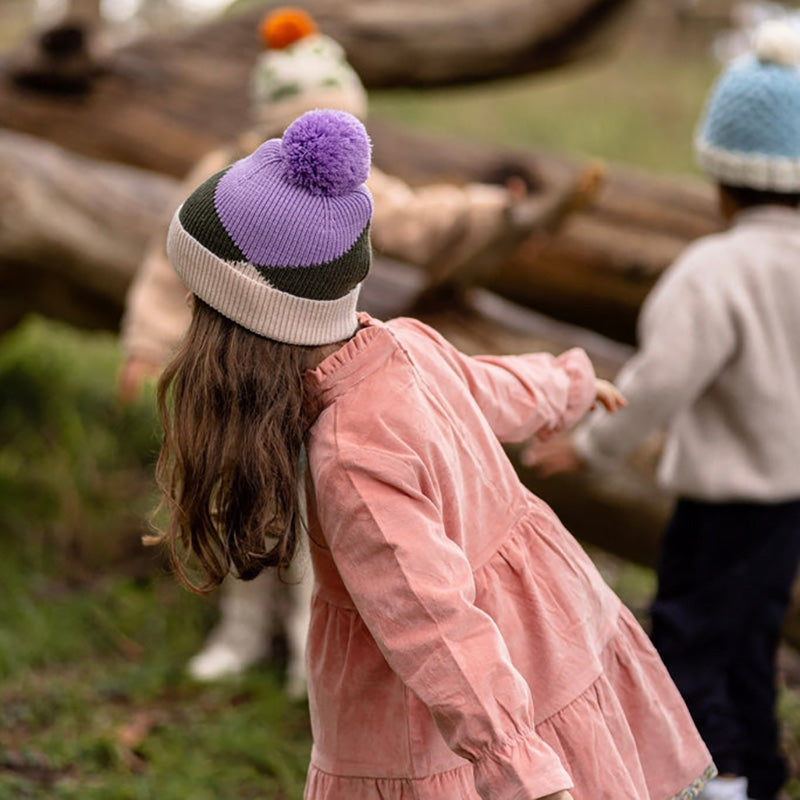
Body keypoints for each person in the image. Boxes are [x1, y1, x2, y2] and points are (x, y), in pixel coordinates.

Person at [151, 106, 714, 800]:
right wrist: (564, 385)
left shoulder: (352, 458)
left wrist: (519, 768)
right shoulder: (403, 343)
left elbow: (435, 627)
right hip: (541, 628)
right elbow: (485, 385)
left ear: (243, 327)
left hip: (439, 709)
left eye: (197, 300)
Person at [120, 6, 604, 688]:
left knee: (313, 519)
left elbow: (415, 215)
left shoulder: (350, 190)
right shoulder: (226, 176)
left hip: (318, 388)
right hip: (240, 389)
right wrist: (147, 340)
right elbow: (171, 263)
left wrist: (492, 211)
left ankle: (306, 649)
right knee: (241, 503)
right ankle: (239, 633)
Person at [524, 20, 800, 800]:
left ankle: (720, 785)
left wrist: (591, 446)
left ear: (720, 176)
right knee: (749, 639)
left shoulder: (715, 272)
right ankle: (763, 774)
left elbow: (661, 379)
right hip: (788, 506)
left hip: (720, 508)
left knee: (686, 641)